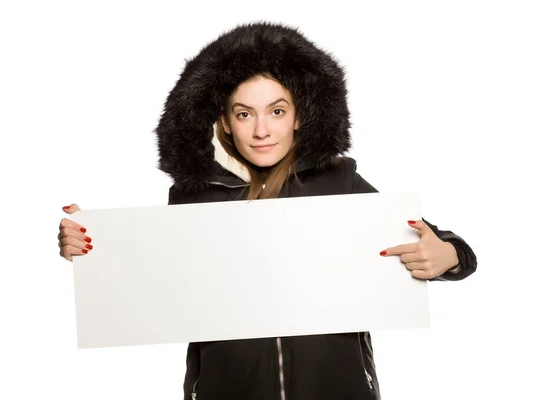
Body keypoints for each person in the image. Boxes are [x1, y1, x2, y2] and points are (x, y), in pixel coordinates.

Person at [58, 22, 477, 400]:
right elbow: (152, 283)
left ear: (298, 117)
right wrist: (95, 242)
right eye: (245, 114)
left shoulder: (341, 182)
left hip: (337, 389)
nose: (261, 130)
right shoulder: (191, 196)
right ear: (223, 121)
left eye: (277, 111)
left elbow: (440, 244)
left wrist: (448, 256)